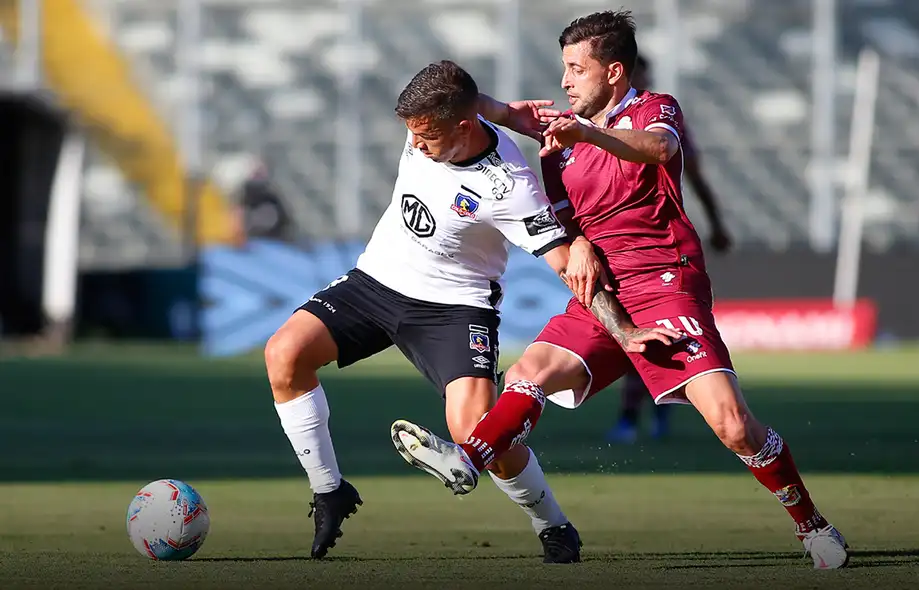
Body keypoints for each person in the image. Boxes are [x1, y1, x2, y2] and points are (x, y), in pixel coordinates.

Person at [388, 11, 849, 570]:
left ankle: (812, 525)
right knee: (526, 374)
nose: (564, 82)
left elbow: (657, 150)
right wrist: (497, 110)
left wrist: (588, 132)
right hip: (602, 294)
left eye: (575, 69)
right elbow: (486, 110)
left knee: (732, 425)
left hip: (666, 284)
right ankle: (466, 458)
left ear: (612, 71)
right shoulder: (557, 145)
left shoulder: (655, 109)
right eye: (563, 69)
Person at [263, 60, 673, 562]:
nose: (415, 145)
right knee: (284, 355)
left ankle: (553, 525)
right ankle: (330, 491)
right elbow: (465, 93)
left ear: (461, 127)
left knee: (476, 435)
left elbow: (566, 264)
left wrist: (624, 329)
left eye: (427, 137)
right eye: (411, 134)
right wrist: (505, 110)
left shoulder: (509, 185)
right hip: (376, 282)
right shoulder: (437, 116)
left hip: (455, 308)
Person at [608, 53, 733, 445]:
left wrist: (715, 224)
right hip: (617, 250)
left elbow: (693, 174)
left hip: (661, 250)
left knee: (660, 333)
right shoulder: (600, 124)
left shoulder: (661, 118)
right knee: (630, 337)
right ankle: (636, 415)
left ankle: (651, 413)